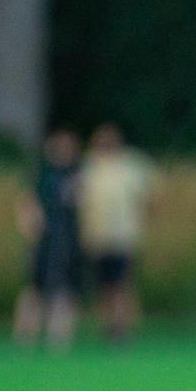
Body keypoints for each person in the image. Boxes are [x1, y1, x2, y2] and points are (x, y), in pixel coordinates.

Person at [79, 122, 154, 343]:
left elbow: (151, 196)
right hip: (97, 237)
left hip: (123, 236)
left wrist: (143, 221)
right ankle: (107, 326)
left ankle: (122, 328)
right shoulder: (89, 166)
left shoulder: (132, 165)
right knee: (102, 286)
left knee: (121, 285)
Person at [13, 128, 83, 350]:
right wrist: (31, 227)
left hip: (70, 238)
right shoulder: (42, 173)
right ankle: (26, 334)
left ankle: (59, 337)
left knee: (66, 287)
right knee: (35, 286)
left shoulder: (78, 173)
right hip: (45, 238)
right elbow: (27, 202)